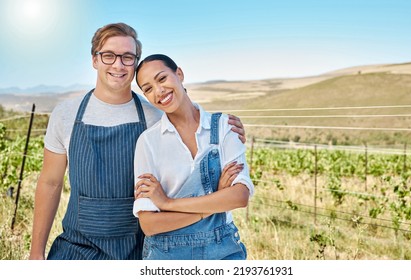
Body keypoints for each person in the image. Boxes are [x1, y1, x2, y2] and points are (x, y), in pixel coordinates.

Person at [29, 23, 246, 260]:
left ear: (135, 64)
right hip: (77, 246)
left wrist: (225, 125)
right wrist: (36, 252)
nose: (118, 65)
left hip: (136, 248)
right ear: (95, 60)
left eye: (128, 57)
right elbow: (50, 183)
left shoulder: (156, 116)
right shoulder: (65, 114)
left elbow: (191, 126)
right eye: (109, 55)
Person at [133, 54, 254, 260]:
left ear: (179, 74)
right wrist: (214, 203)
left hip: (223, 249)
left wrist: (167, 204)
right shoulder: (148, 142)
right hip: (166, 255)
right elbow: (150, 225)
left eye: (162, 79)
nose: (159, 91)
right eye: (148, 89)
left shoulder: (225, 126)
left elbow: (239, 197)